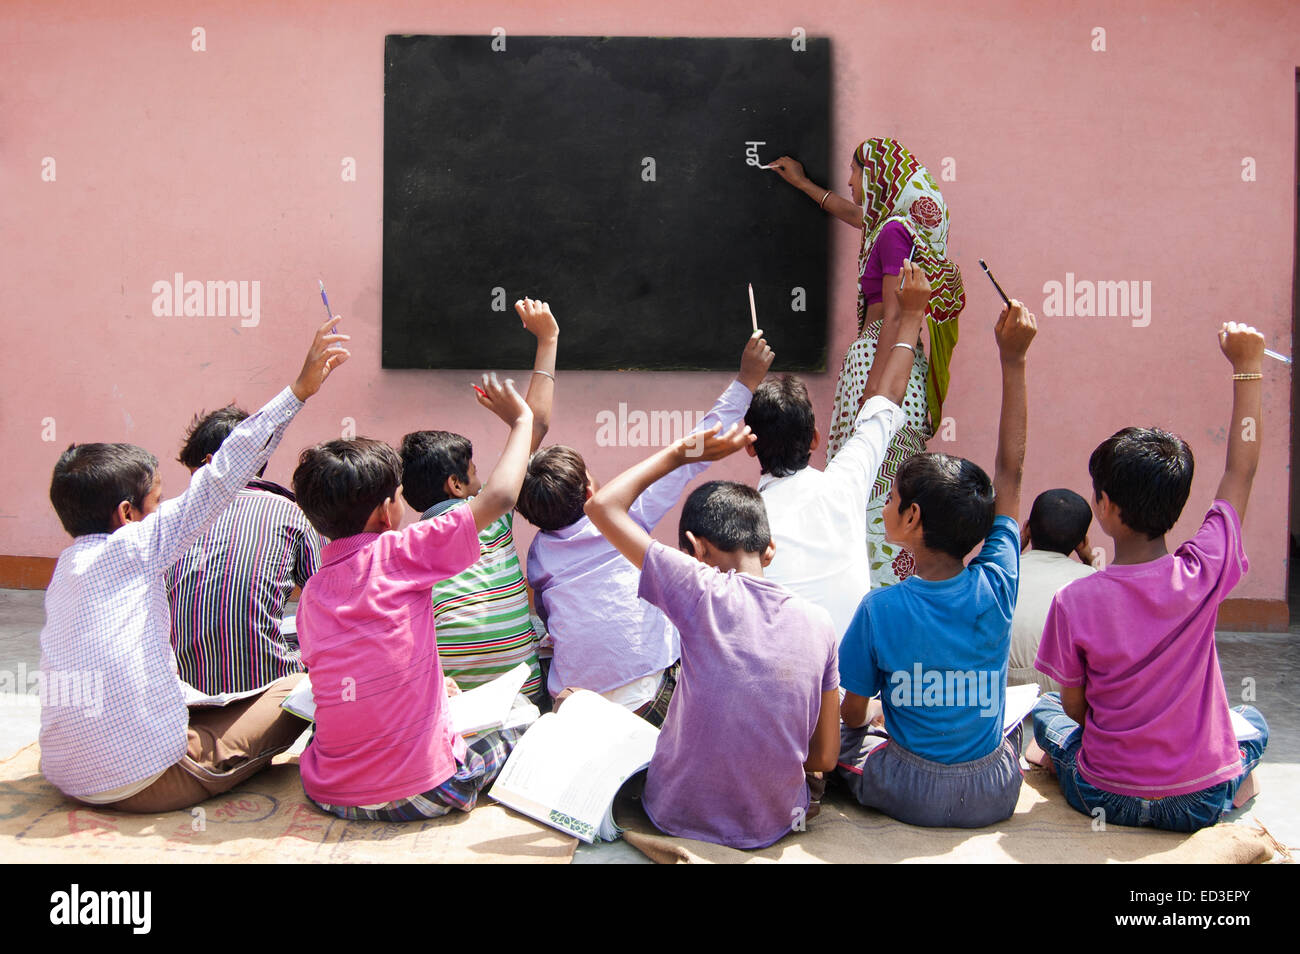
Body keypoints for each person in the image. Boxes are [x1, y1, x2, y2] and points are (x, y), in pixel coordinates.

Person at [39, 316, 349, 812]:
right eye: (158, 501)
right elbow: (223, 473)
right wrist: (299, 390)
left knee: (209, 702)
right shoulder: (139, 545)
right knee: (302, 688)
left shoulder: (63, 572)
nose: (167, 511)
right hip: (142, 778)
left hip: (64, 769)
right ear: (126, 514)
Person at [1031, 323, 1270, 832]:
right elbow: (1240, 473)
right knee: (1253, 725)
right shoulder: (1205, 569)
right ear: (1179, 505)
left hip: (1103, 795)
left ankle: (1052, 760)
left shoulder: (1075, 598)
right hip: (1197, 802)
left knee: (1047, 712)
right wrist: (1248, 368)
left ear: (1106, 508)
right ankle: (1234, 777)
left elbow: (1075, 708)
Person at [584, 424, 840, 850]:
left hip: (674, 815)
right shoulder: (820, 621)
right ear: (769, 548)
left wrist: (681, 454)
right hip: (773, 823)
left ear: (695, 550)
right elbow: (824, 757)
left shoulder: (700, 587)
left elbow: (603, 506)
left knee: (580, 700)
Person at [292, 373, 534, 821]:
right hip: (423, 791)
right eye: (399, 495)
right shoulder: (402, 550)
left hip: (333, 794)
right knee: (521, 716)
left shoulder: (311, 594)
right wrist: (521, 419)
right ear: (387, 511)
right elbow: (500, 495)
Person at [837, 298, 1036, 828]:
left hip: (909, 789)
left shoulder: (879, 608)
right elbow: (1011, 475)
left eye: (891, 495)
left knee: (838, 738)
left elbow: (854, 714)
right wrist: (1013, 361)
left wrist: (874, 714)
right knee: (1019, 719)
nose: (882, 502)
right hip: (994, 790)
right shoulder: (997, 581)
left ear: (913, 517)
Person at [517, 331, 774, 722]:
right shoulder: (628, 515)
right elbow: (689, 452)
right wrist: (747, 381)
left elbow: (551, 617)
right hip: (650, 693)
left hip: (574, 708)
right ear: (590, 488)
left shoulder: (539, 555)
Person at [769, 138, 965, 586]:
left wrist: (873, 397)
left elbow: (896, 313)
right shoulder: (887, 225)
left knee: (871, 484)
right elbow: (852, 212)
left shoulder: (895, 232)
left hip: (883, 359)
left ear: (878, 176)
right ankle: (881, 583)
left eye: (856, 173)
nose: (852, 182)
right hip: (889, 360)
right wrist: (801, 183)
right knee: (880, 487)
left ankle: (873, 588)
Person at [744, 262, 930, 636]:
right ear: (815, 439)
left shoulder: (740, 519)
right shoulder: (845, 482)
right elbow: (888, 397)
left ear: (750, 444)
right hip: (850, 686)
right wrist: (911, 317)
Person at [400, 298, 557, 706]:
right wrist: (548, 339)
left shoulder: (407, 547)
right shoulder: (492, 516)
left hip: (455, 705)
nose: (481, 477)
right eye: (473, 471)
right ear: (455, 485)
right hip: (521, 698)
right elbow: (536, 423)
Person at [166, 405, 321, 696]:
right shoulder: (291, 514)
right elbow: (327, 596)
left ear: (213, 463)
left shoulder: (173, 519)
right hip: (269, 688)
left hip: (186, 690)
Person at [1008, 489, 1097, 693]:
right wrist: (1089, 560)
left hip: (995, 698)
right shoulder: (1090, 580)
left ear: (1027, 529)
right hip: (1060, 704)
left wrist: (1015, 549)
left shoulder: (1001, 573)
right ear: (1082, 543)